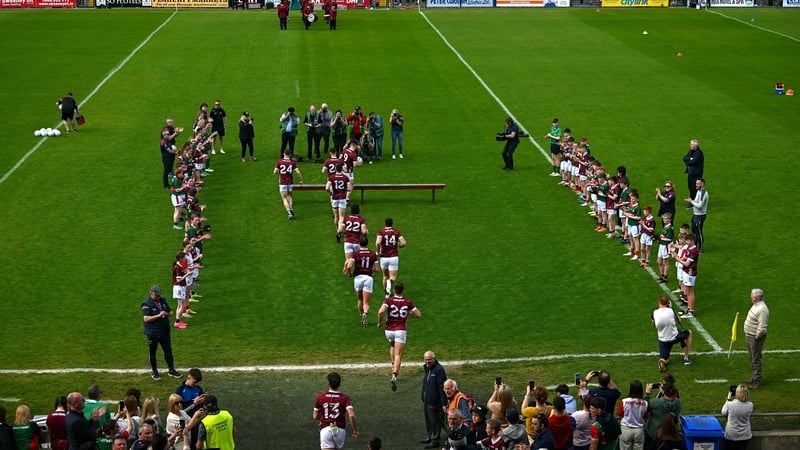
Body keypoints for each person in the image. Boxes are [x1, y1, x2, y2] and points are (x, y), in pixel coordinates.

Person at [377, 282, 421, 391]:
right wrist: (408, 312)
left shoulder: (389, 300)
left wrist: (379, 323)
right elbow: (418, 314)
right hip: (400, 330)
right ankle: (394, 375)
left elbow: (381, 312)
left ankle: (393, 365)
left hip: (389, 330)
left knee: (392, 345)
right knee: (398, 354)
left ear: (394, 290)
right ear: (403, 291)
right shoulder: (407, 302)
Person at [141, 285, 182, 381]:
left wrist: (166, 313)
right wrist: (159, 315)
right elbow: (146, 318)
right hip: (153, 333)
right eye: (157, 294)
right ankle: (154, 372)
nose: (158, 296)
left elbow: (170, 312)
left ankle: (171, 370)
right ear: (151, 293)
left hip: (164, 331)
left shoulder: (162, 300)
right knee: (152, 352)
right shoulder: (146, 304)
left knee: (168, 351)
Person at [313, 373, 359, 450]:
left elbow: (315, 416)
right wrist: (355, 430)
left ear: (328, 383)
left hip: (326, 429)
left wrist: (325, 418)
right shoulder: (345, 398)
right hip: (340, 430)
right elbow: (351, 416)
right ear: (339, 384)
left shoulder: (321, 397)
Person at [344, 235, 380, 327]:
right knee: (366, 302)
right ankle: (365, 313)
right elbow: (377, 269)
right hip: (368, 278)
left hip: (358, 278)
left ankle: (361, 316)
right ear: (367, 243)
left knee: (360, 299)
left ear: (359, 243)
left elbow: (349, 265)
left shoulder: (355, 254)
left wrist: (349, 273)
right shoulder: (372, 254)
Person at [652, 295, 693, 371]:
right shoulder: (670, 311)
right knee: (689, 333)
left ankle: (662, 362)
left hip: (663, 340)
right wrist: (671, 308)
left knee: (665, 359)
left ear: (659, 302)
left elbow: (654, 324)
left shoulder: (655, 312)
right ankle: (686, 358)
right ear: (667, 303)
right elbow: (679, 321)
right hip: (675, 336)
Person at [421, 350, 448, 449]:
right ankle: (429, 436)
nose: (427, 362)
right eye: (425, 360)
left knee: (435, 421)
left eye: (429, 360)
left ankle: (435, 439)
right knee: (428, 420)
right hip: (427, 400)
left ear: (434, 359)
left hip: (434, 402)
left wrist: (443, 403)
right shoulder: (428, 368)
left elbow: (442, 387)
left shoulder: (439, 370)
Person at [744, 288, 769, 389]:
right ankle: (754, 378)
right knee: (752, 357)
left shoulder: (762, 309)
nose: (750, 297)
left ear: (756, 298)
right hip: (750, 335)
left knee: (755, 358)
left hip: (755, 338)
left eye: (752, 296)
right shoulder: (757, 306)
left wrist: (757, 338)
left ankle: (757, 381)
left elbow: (762, 327)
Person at [376, 217, 406, 298]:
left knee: (385, 276)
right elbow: (403, 242)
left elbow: (378, 243)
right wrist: (400, 245)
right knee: (392, 277)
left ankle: (386, 292)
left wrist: (378, 252)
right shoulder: (396, 232)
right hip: (393, 257)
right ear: (392, 224)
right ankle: (389, 287)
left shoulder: (381, 232)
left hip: (384, 257)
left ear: (384, 224)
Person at [644, 383, 681, 448]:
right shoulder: (678, 402)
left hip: (654, 433)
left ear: (663, 391)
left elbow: (645, 406)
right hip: (671, 434)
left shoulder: (656, 402)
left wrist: (647, 393)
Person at [672, 233, 699, 318]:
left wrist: (677, 258)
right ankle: (689, 309)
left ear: (692, 241)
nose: (686, 242)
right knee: (687, 291)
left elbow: (687, 264)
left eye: (687, 240)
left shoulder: (694, 251)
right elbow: (684, 258)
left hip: (690, 273)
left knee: (690, 292)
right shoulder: (688, 248)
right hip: (686, 271)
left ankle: (691, 311)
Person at [616, 381, 647, 450]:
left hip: (625, 429)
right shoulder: (645, 403)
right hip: (639, 430)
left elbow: (619, 415)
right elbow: (645, 417)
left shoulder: (624, 401)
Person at [273, 149, 304, 219]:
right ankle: (291, 207)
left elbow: (275, 172)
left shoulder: (279, 162)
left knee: (284, 198)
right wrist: (301, 180)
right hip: (290, 182)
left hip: (282, 182)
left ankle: (289, 212)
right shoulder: (292, 163)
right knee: (289, 195)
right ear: (290, 155)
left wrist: (279, 172)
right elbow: (298, 172)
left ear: (284, 154)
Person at [722, 385, 753, 450]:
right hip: (745, 436)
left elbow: (723, 412)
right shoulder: (750, 405)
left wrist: (728, 399)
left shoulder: (730, 404)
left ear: (736, 393)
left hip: (731, 435)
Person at [326, 163, 352, 237]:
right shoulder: (345, 178)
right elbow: (349, 188)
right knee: (342, 217)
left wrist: (331, 192)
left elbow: (327, 188)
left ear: (335, 169)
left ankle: (337, 229)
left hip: (334, 197)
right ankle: (339, 232)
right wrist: (345, 190)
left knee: (336, 216)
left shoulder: (331, 177)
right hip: (342, 197)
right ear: (341, 169)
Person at [685, 178, 708, 253]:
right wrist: (691, 202)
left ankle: (701, 248)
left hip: (700, 216)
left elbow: (700, 206)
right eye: (696, 183)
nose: (696, 185)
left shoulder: (703, 193)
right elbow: (696, 201)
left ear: (702, 184)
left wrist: (691, 201)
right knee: (694, 230)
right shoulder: (699, 191)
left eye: (698, 183)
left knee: (699, 231)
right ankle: (695, 246)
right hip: (696, 215)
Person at [160, 118, 183, 189]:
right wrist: (176, 152)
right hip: (166, 157)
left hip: (170, 156)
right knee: (166, 171)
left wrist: (177, 132)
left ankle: (173, 180)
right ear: (164, 135)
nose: (168, 135)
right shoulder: (163, 142)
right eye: (166, 134)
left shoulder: (167, 140)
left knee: (170, 168)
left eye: (168, 134)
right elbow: (169, 150)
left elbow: (171, 138)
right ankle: (166, 185)